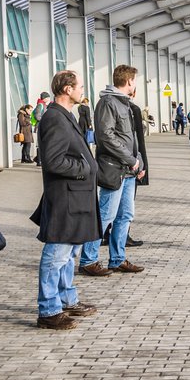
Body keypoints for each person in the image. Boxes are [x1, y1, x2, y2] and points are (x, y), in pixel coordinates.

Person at [31, 71, 101, 330]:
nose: (83, 91)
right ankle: (49, 310)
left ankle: (66, 299)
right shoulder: (54, 118)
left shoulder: (65, 116)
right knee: (56, 254)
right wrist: (84, 167)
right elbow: (53, 160)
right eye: (80, 87)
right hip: (65, 198)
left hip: (76, 197)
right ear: (68, 89)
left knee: (69, 253)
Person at [79, 65, 145, 276]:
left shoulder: (125, 103)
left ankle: (117, 259)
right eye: (135, 81)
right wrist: (130, 159)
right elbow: (106, 136)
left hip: (128, 170)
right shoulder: (108, 102)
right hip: (114, 168)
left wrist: (138, 162)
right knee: (106, 215)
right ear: (128, 81)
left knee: (125, 215)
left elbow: (131, 138)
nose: (135, 84)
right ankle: (88, 260)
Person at [126, 99, 147, 248]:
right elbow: (139, 140)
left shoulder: (104, 104)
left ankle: (108, 234)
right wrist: (143, 166)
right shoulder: (134, 109)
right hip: (131, 165)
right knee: (126, 207)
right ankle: (124, 235)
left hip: (112, 167)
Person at [32, 91, 51, 167]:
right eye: (48, 97)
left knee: (43, 143)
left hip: (43, 125)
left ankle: (39, 159)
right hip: (41, 125)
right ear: (45, 98)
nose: (49, 99)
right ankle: (39, 160)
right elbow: (37, 115)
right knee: (40, 143)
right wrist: (44, 120)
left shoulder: (43, 105)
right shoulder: (40, 105)